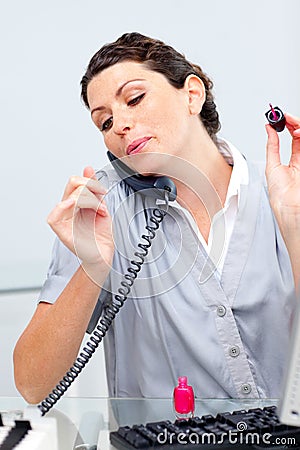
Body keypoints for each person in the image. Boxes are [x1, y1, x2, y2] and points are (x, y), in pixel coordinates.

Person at [13, 32, 300, 404]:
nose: (119, 125)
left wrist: (293, 223)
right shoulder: (100, 212)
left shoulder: (282, 190)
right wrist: (93, 267)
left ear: (191, 95)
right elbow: (34, 385)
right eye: (104, 122)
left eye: (134, 99)